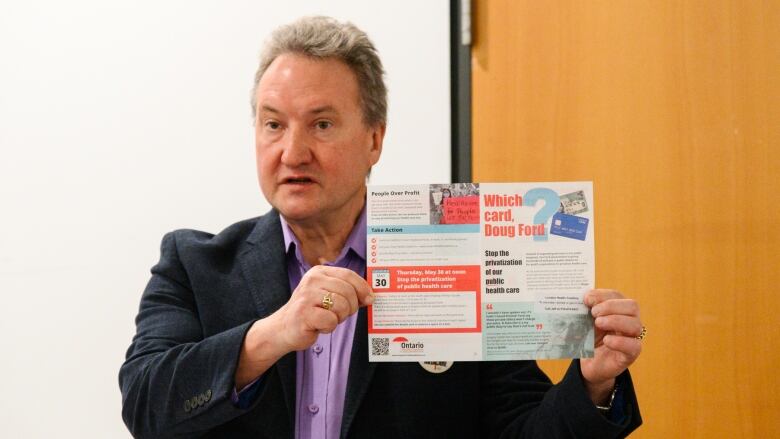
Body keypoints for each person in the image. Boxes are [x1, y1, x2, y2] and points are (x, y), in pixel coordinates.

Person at [119, 16, 645, 438]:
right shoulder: (194, 264)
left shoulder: (457, 259)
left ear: (374, 139)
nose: (292, 151)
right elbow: (146, 407)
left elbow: (523, 428)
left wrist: (594, 384)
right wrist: (274, 334)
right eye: (273, 124)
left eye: (321, 124)